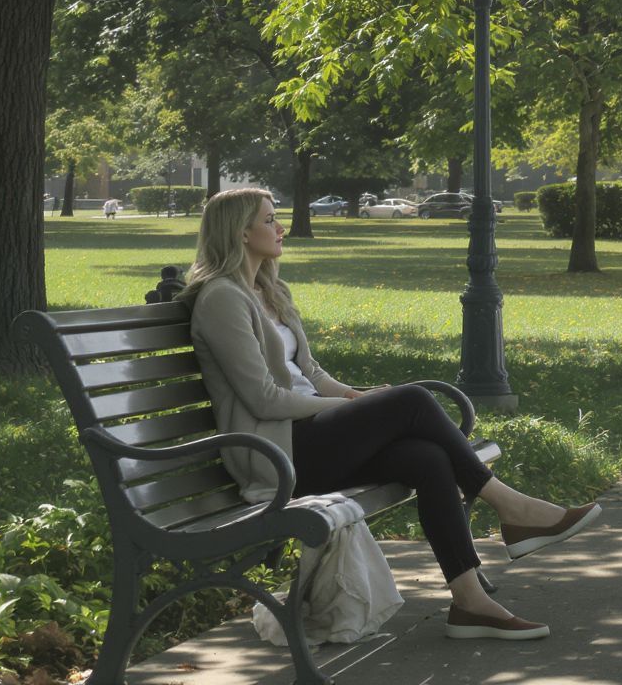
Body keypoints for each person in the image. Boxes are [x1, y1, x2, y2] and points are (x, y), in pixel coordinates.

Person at [179, 188, 600, 641]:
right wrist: (351, 406)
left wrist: (356, 396)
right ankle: (514, 509)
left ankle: (470, 602)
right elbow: (263, 399)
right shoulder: (222, 299)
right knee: (412, 400)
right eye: (269, 220)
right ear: (240, 233)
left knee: (425, 457)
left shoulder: (267, 289)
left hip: (309, 435)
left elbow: (312, 373)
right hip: (276, 452)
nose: (280, 227)